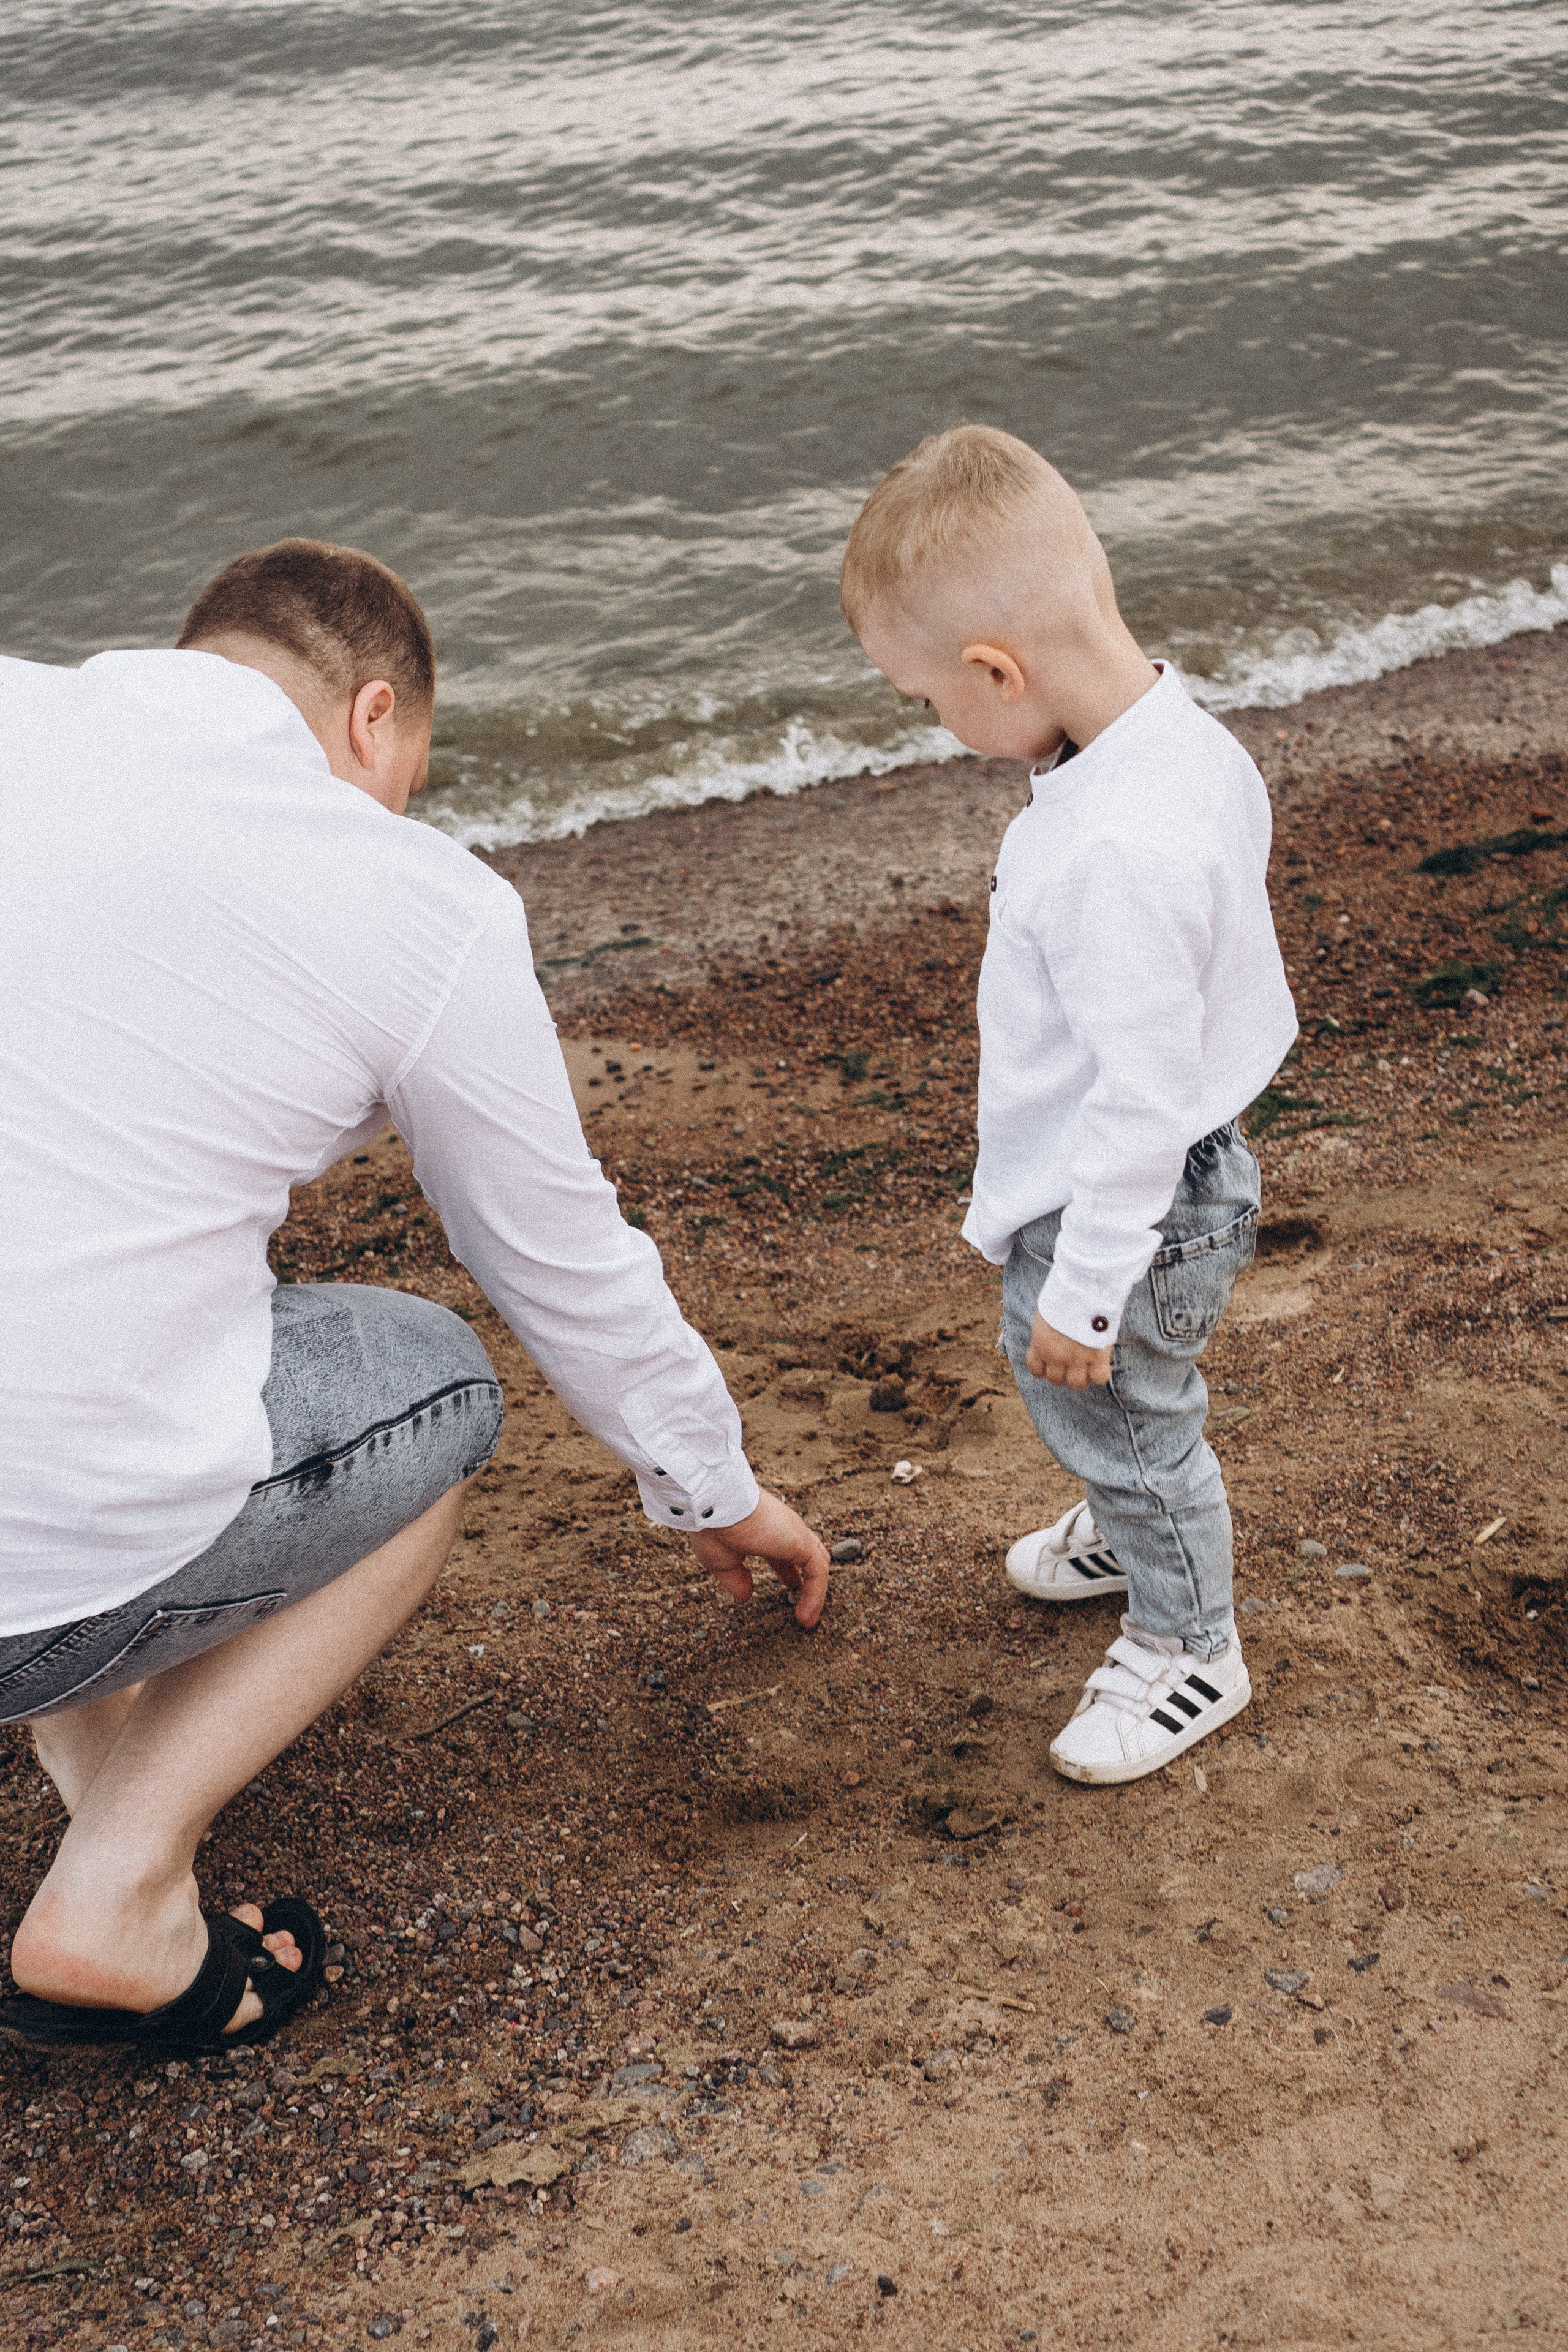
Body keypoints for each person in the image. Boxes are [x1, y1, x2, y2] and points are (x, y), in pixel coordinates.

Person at [0, 540, 829, 2051]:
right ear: (372, 719)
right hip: (32, 1575)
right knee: (429, 1382)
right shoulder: (410, 895)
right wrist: (713, 1490)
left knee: (95, 1296)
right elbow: (555, 1252)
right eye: (407, 782)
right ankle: (109, 1900)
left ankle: (102, 1788)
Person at [840, 426, 1295, 1785]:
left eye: (927, 701)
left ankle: (1187, 1641)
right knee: (1115, 1409)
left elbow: (1139, 1099)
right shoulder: (1172, 736)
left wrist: (1087, 1288)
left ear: (996, 671)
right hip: (1181, 1164)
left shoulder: (1111, 849)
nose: (939, 727)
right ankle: (1127, 1512)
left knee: (1116, 1401)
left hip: (1132, 1201)